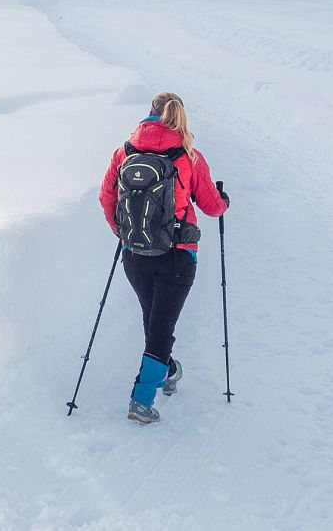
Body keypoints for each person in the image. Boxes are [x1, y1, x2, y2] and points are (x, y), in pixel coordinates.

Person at [98, 91, 229, 424]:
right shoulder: (188, 156)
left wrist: (123, 232)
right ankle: (141, 399)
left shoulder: (123, 153)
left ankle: (167, 370)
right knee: (161, 327)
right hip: (178, 256)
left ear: (149, 114)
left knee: (153, 319)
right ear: (180, 117)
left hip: (135, 255)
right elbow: (212, 206)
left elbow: (106, 197)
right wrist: (224, 200)